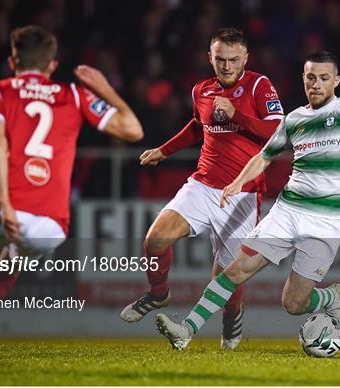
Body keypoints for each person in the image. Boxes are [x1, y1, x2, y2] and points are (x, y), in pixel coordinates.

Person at [156, 50, 340, 350]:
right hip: (287, 211)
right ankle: (186, 331)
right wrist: (236, 183)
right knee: (237, 269)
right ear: (303, 78)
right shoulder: (293, 120)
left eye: (324, 78)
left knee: (294, 303)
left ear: (336, 80)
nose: (316, 84)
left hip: (325, 222)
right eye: (311, 77)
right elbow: (263, 157)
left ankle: (330, 297)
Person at [0, 25, 143, 371]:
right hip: (52, 224)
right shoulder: (75, 95)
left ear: (12, 60)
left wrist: (5, 205)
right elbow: (133, 130)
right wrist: (106, 89)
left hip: (8, 206)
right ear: (51, 65)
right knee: (11, 262)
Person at [120, 27, 284, 350]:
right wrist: (164, 150)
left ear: (245, 58)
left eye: (233, 60)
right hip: (202, 184)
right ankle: (158, 294)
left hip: (242, 194)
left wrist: (239, 115)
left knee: (226, 279)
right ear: (210, 57)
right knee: (155, 239)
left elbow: (278, 132)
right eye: (220, 59)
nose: (226, 66)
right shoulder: (201, 90)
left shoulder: (259, 85)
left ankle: (232, 316)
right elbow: (198, 125)